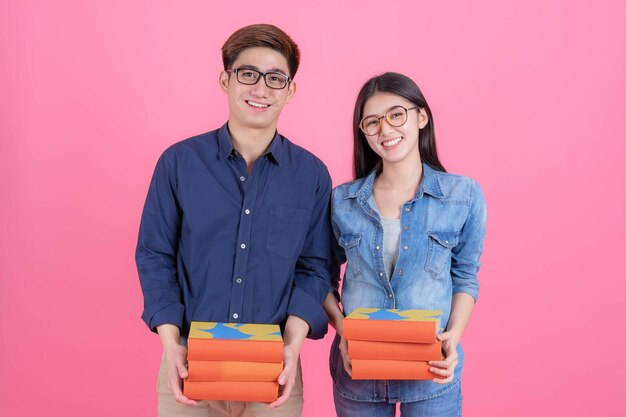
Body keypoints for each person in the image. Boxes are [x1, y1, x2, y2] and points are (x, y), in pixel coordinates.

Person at [136, 24, 334, 417]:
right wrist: (171, 343)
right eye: (248, 74)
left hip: (274, 372)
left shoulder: (311, 175)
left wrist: (292, 346)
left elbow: (316, 268)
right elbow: (155, 255)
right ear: (225, 80)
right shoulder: (178, 163)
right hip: (188, 366)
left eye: (275, 78)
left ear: (290, 90)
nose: (261, 90)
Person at [324, 72, 487, 417]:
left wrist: (453, 337)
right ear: (363, 132)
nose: (386, 130)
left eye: (396, 115)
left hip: (433, 376)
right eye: (372, 122)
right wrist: (344, 335)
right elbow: (318, 277)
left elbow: (465, 276)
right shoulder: (342, 201)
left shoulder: (463, 196)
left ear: (421, 117)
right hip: (359, 376)